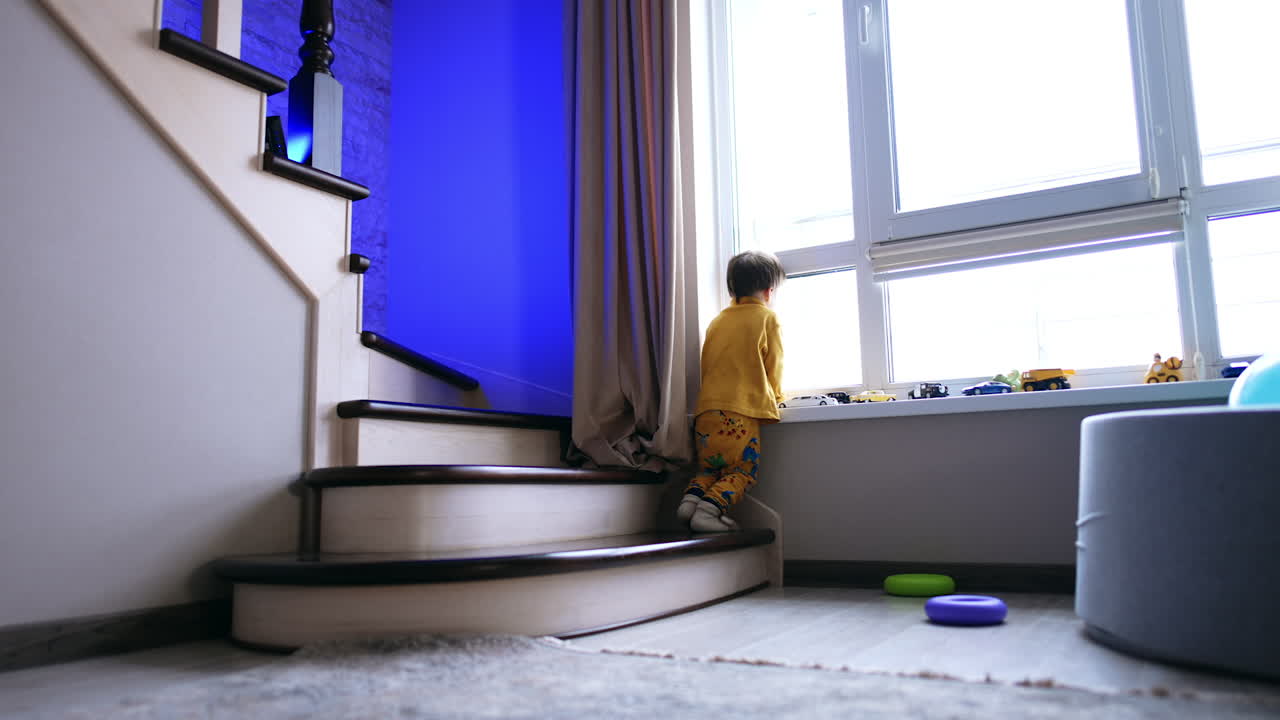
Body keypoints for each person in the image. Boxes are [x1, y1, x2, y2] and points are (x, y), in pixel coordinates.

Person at [678, 250, 785, 532]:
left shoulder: (717, 322)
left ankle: (690, 502)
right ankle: (707, 512)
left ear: (732, 288)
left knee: (710, 468)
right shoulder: (767, 318)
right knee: (741, 470)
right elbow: (774, 364)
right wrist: (776, 397)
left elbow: (707, 364)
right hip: (738, 413)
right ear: (769, 291)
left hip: (706, 411)